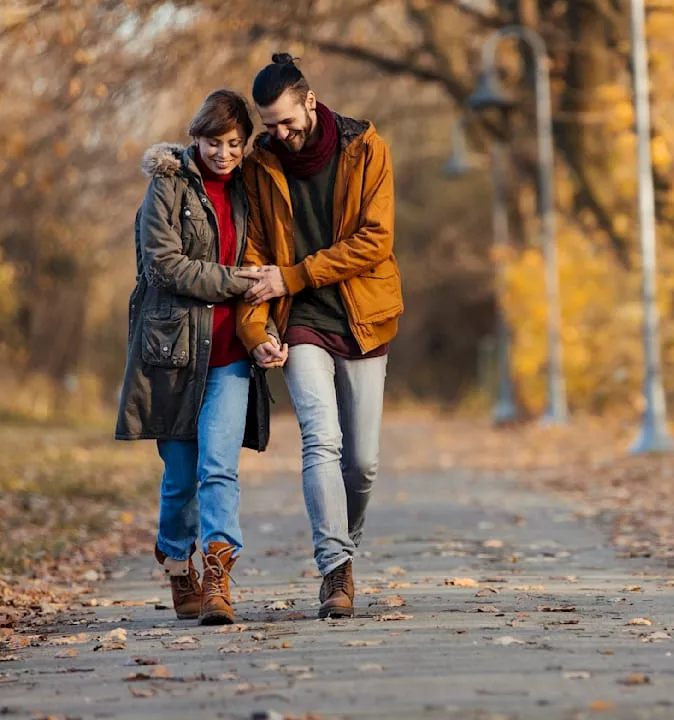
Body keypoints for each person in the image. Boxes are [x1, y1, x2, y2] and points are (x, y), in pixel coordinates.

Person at [236, 54, 402, 619]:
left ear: (310, 100)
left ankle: (343, 545)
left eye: (286, 120)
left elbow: (374, 240)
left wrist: (297, 272)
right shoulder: (261, 165)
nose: (279, 133)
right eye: (269, 124)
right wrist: (258, 329)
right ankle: (336, 567)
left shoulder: (366, 147)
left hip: (361, 315)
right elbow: (256, 256)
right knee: (320, 440)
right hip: (301, 320)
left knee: (363, 463)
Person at [115, 89, 288, 626]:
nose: (224, 154)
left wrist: (267, 326)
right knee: (180, 479)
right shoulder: (166, 185)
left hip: (230, 354)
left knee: (219, 469)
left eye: (235, 144)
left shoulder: (248, 190)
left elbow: (266, 258)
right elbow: (165, 264)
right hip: (174, 352)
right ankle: (175, 561)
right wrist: (236, 281)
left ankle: (218, 575)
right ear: (197, 138)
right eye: (215, 142)